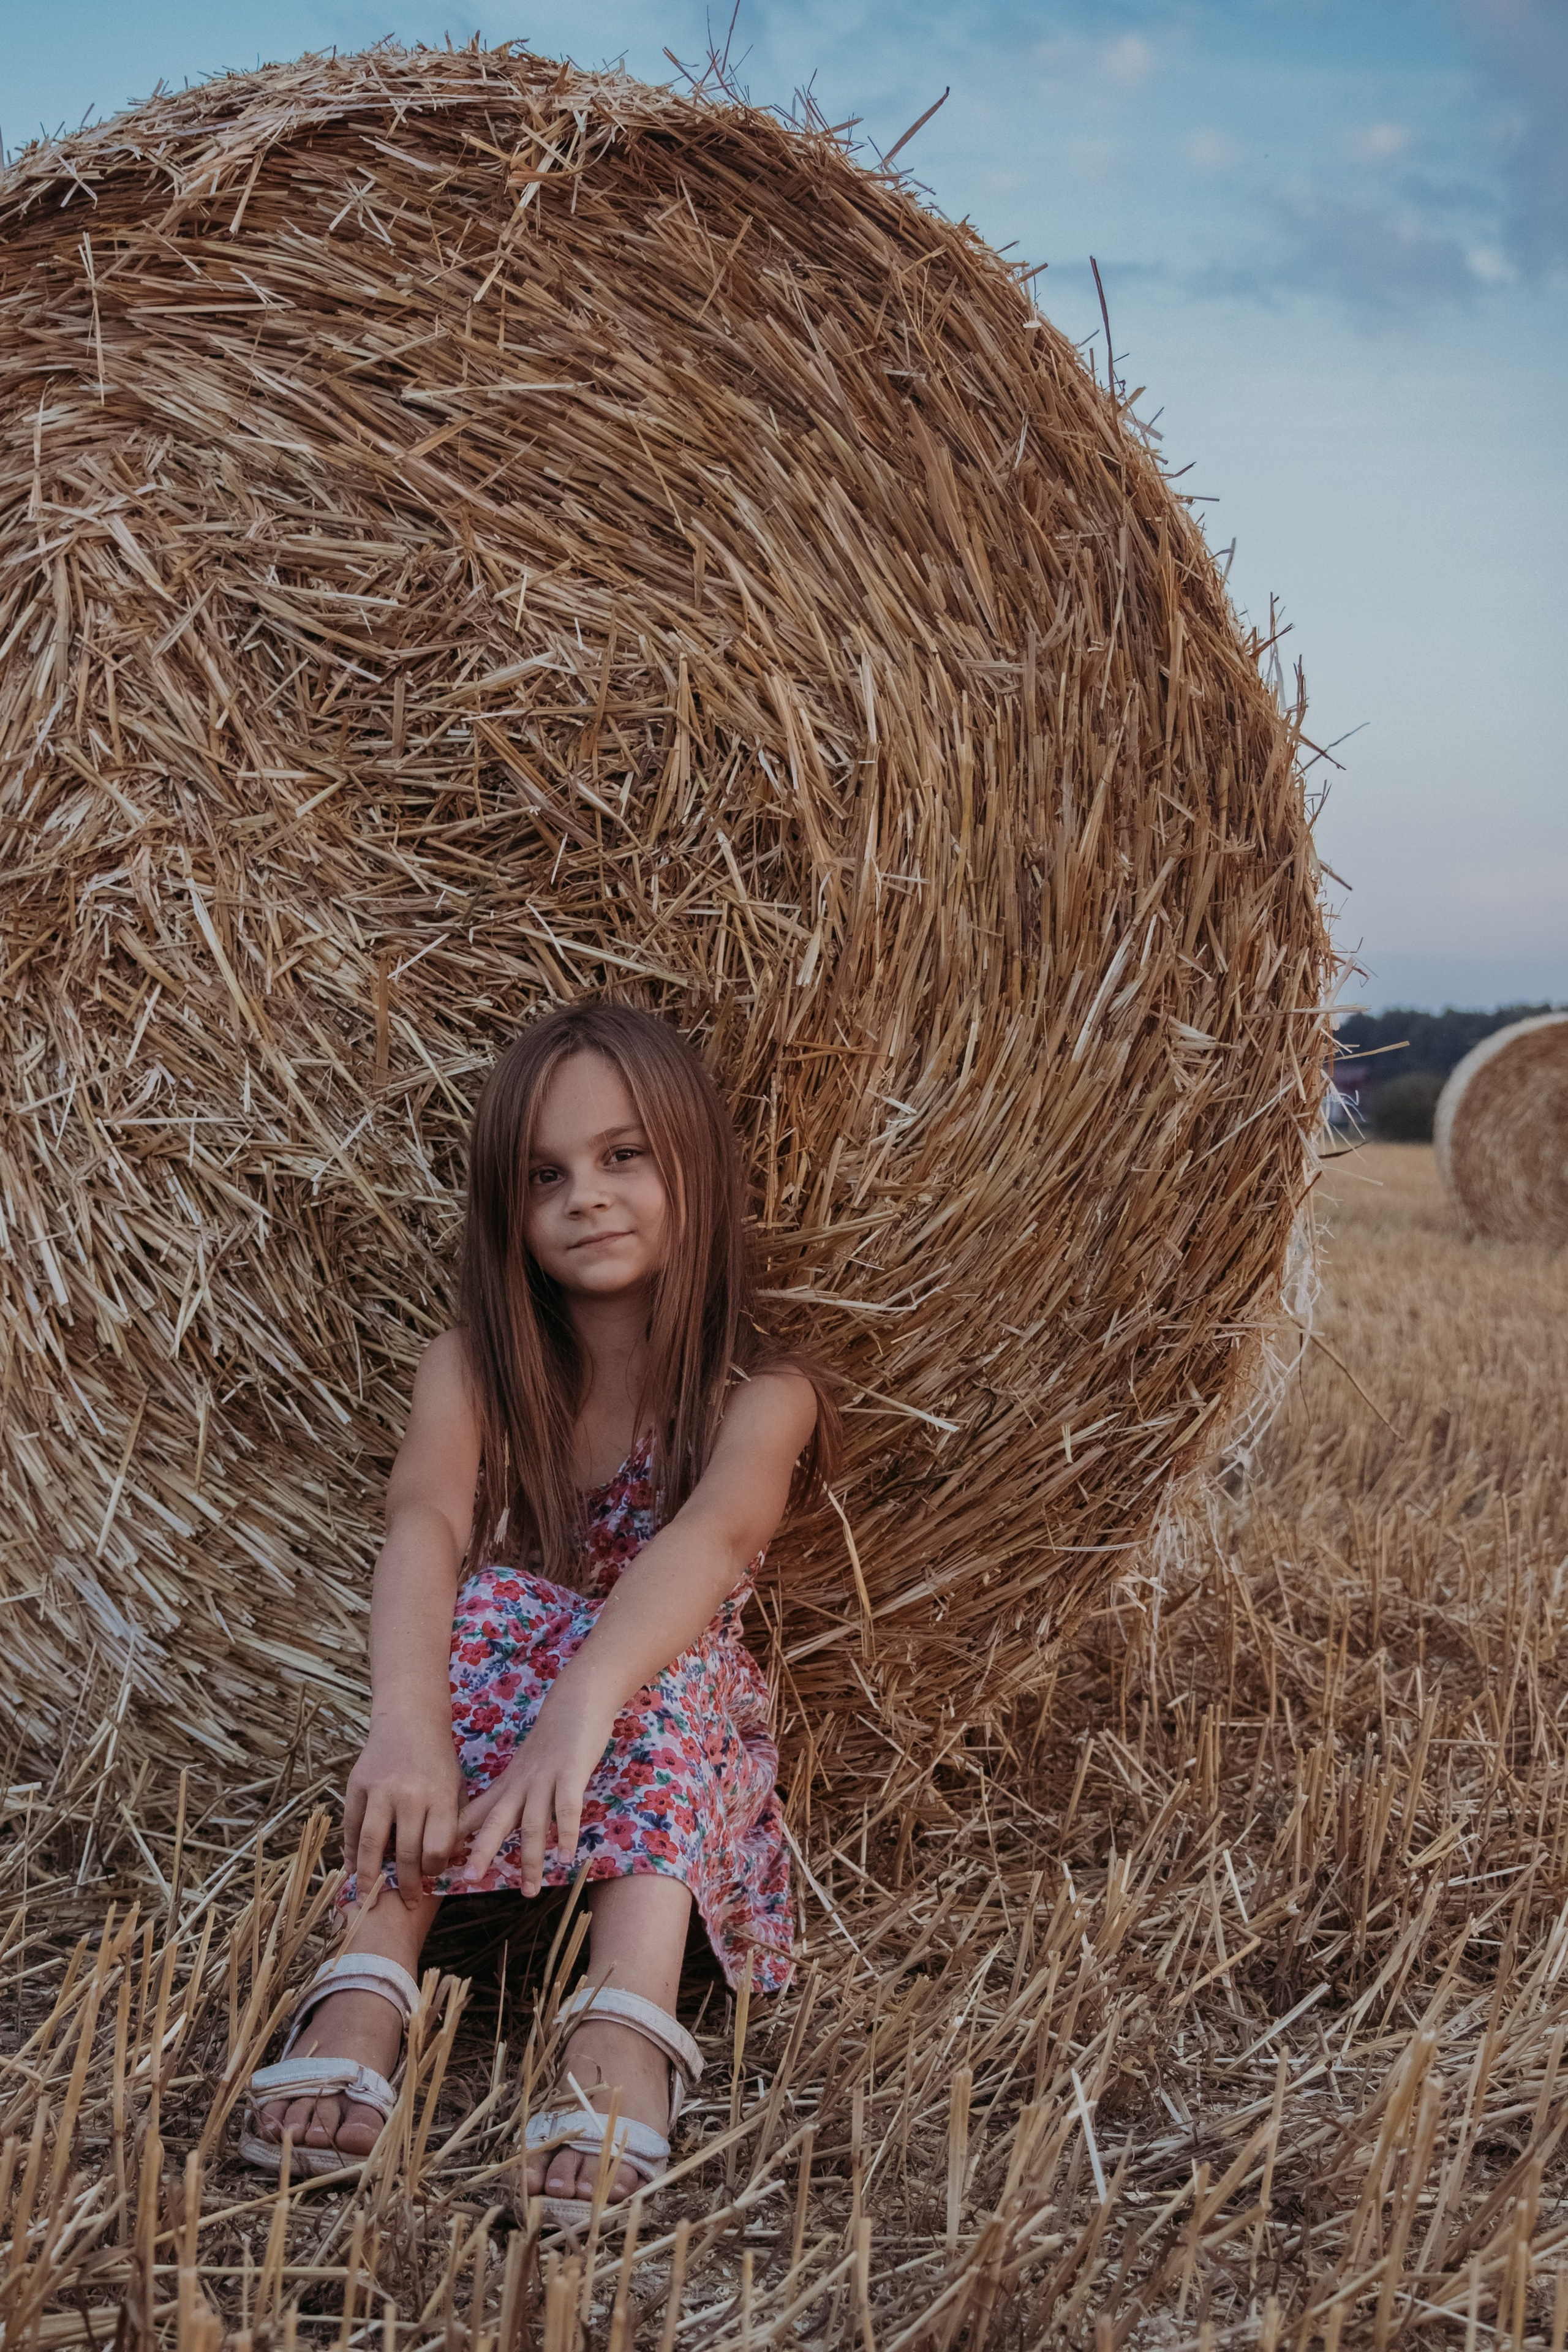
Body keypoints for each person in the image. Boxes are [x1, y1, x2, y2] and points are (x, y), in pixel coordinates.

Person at [237, 1001, 838, 2221]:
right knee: (491, 1602)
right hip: (485, 1734)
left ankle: (624, 2008)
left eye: (625, 1157)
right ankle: (370, 1966)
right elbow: (423, 1527)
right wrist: (405, 1720)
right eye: (544, 1175)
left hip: (636, 1714)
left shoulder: (760, 1394)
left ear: (694, 1168)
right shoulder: (470, 1370)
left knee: (679, 1660)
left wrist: (581, 1709)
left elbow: (710, 1544)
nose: (586, 1197)